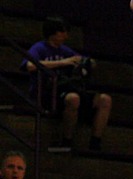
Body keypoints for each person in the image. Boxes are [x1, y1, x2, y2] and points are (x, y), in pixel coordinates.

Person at [21, 16, 112, 151]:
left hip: (69, 89)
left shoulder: (65, 50)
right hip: (48, 93)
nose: (66, 35)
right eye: (62, 32)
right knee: (73, 99)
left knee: (105, 100)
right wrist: (63, 62)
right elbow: (29, 65)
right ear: (53, 32)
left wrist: (87, 63)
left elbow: (81, 60)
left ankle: (95, 142)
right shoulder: (39, 48)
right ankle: (66, 141)